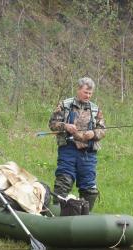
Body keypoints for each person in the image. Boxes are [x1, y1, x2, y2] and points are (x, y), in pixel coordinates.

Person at [49, 77, 106, 211]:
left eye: (90, 93)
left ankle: (84, 217)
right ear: (78, 89)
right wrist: (65, 126)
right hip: (68, 149)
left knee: (89, 187)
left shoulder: (95, 110)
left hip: (88, 153)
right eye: (86, 92)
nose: (88, 96)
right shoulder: (65, 105)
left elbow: (102, 130)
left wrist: (93, 134)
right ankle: (57, 214)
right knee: (63, 181)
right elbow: (52, 124)